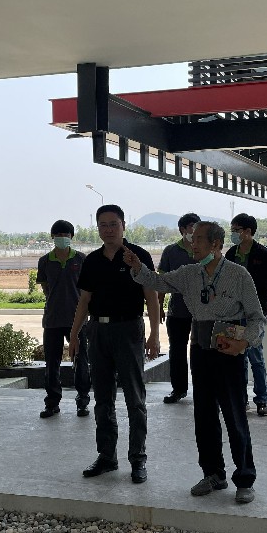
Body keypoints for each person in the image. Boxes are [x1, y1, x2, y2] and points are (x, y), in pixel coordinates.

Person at [124, 221, 263, 504]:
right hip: (199, 350)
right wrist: (138, 267)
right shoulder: (189, 273)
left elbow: (257, 318)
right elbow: (158, 281)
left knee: (235, 416)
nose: (192, 242)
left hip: (229, 353)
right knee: (204, 416)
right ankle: (213, 474)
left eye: (198, 239)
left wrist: (245, 343)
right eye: (192, 238)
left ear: (216, 244)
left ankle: (245, 478)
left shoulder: (238, 275)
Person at [68, 204, 159, 484]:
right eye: (103, 225)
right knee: (102, 398)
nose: (108, 230)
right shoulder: (92, 260)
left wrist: (155, 334)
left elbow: (151, 297)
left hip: (129, 329)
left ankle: (138, 459)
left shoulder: (138, 256)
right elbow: (84, 301)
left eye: (113, 224)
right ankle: (107, 456)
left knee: (135, 398)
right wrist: (74, 335)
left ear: (123, 226)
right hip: (98, 331)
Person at [226, 213, 267, 416]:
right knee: (239, 357)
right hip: (235, 313)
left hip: (255, 313)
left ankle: (261, 400)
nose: (233, 234)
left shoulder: (263, 252)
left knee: (256, 357)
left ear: (248, 231)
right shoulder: (231, 253)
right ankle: (241, 400)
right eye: (232, 230)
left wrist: (262, 284)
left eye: (236, 230)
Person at [36, 220, 90, 419]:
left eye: (66, 235)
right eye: (58, 235)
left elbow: (87, 290)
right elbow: (46, 289)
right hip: (52, 320)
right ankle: (52, 404)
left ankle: (82, 402)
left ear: (71, 237)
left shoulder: (81, 259)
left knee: (81, 362)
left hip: (78, 321)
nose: (62, 238)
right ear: (52, 237)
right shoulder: (44, 261)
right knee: (52, 363)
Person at [158, 212, 200, 403]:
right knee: (177, 351)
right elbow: (161, 281)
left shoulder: (204, 248)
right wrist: (160, 306)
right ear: (182, 229)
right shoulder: (171, 251)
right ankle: (178, 389)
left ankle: (203, 390)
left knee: (200, 352)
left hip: (202, 312)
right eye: (192, 226)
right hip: (178, 310)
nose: (195, 230)